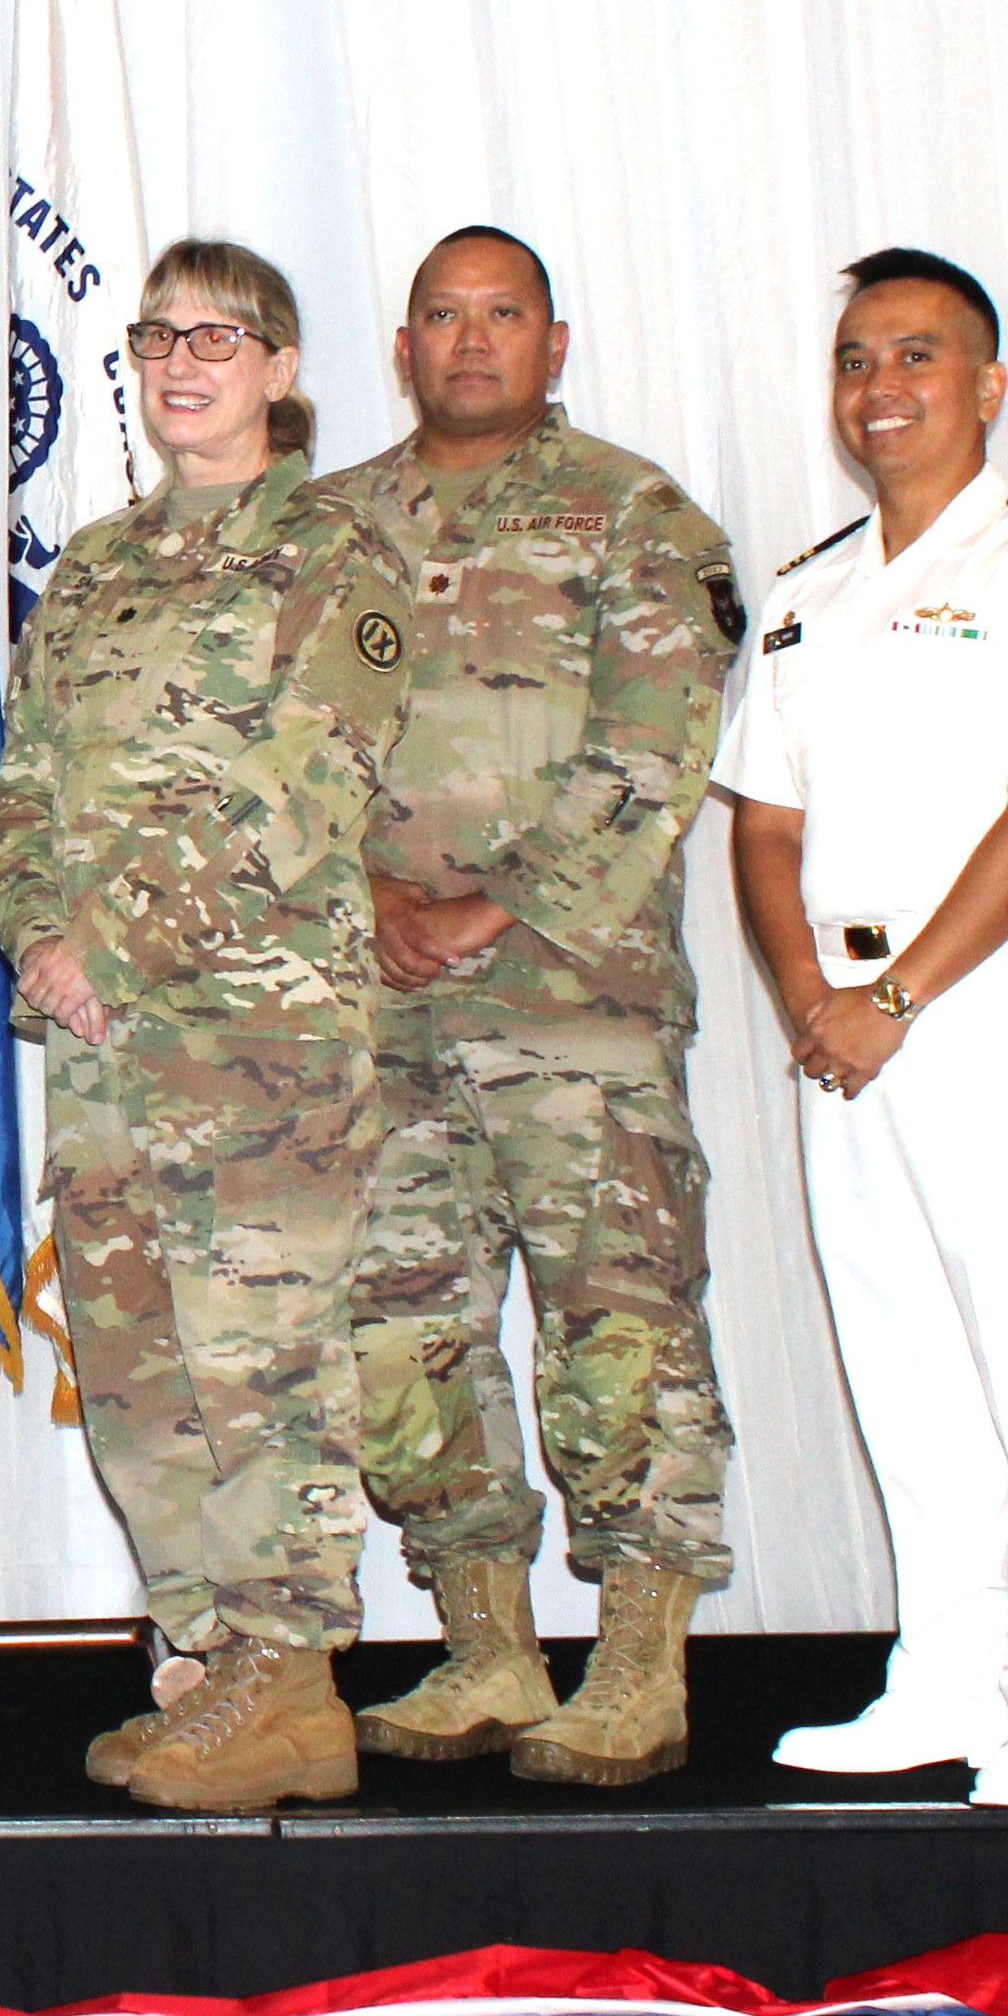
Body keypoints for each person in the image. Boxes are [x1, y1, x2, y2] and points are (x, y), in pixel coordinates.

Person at [708, 248, 1008, 1810]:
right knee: (904, 1362)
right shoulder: (808, 592)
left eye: (914, 356)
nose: (879, 388)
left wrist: (895, 998)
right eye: (855, 361)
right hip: (839, 1026)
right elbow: (765, 823)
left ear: (988, 384)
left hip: (979, 1013)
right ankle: (950, 1675)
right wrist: (814, 1000)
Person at [317, 231, 745, 1792]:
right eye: (443, 315)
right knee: (403, 1333)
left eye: (503, 315)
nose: (472, 341)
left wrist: (486, 908)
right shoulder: (326, 527)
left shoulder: (635, 515)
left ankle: (640, 1667)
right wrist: (370, 899)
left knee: (617, 1329)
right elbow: (277, 751)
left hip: (576, 1004)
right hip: (381, 1009)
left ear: (554, 343)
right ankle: (487, 1646)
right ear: (404, 344)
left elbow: (655, 749)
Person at [0, 242, 410, 1810]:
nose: (181, 362)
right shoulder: (97, 566)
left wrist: (112, 945)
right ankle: (215, 1664)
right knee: (142, 1366)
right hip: (105, 1049)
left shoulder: (340, 554)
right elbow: (26, 780)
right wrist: (40, 932)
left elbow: (305, 787)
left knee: (259, 1363)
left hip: (257, 1044)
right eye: (158, 335)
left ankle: (295, 1689)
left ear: (280, 370)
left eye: (217, 337)